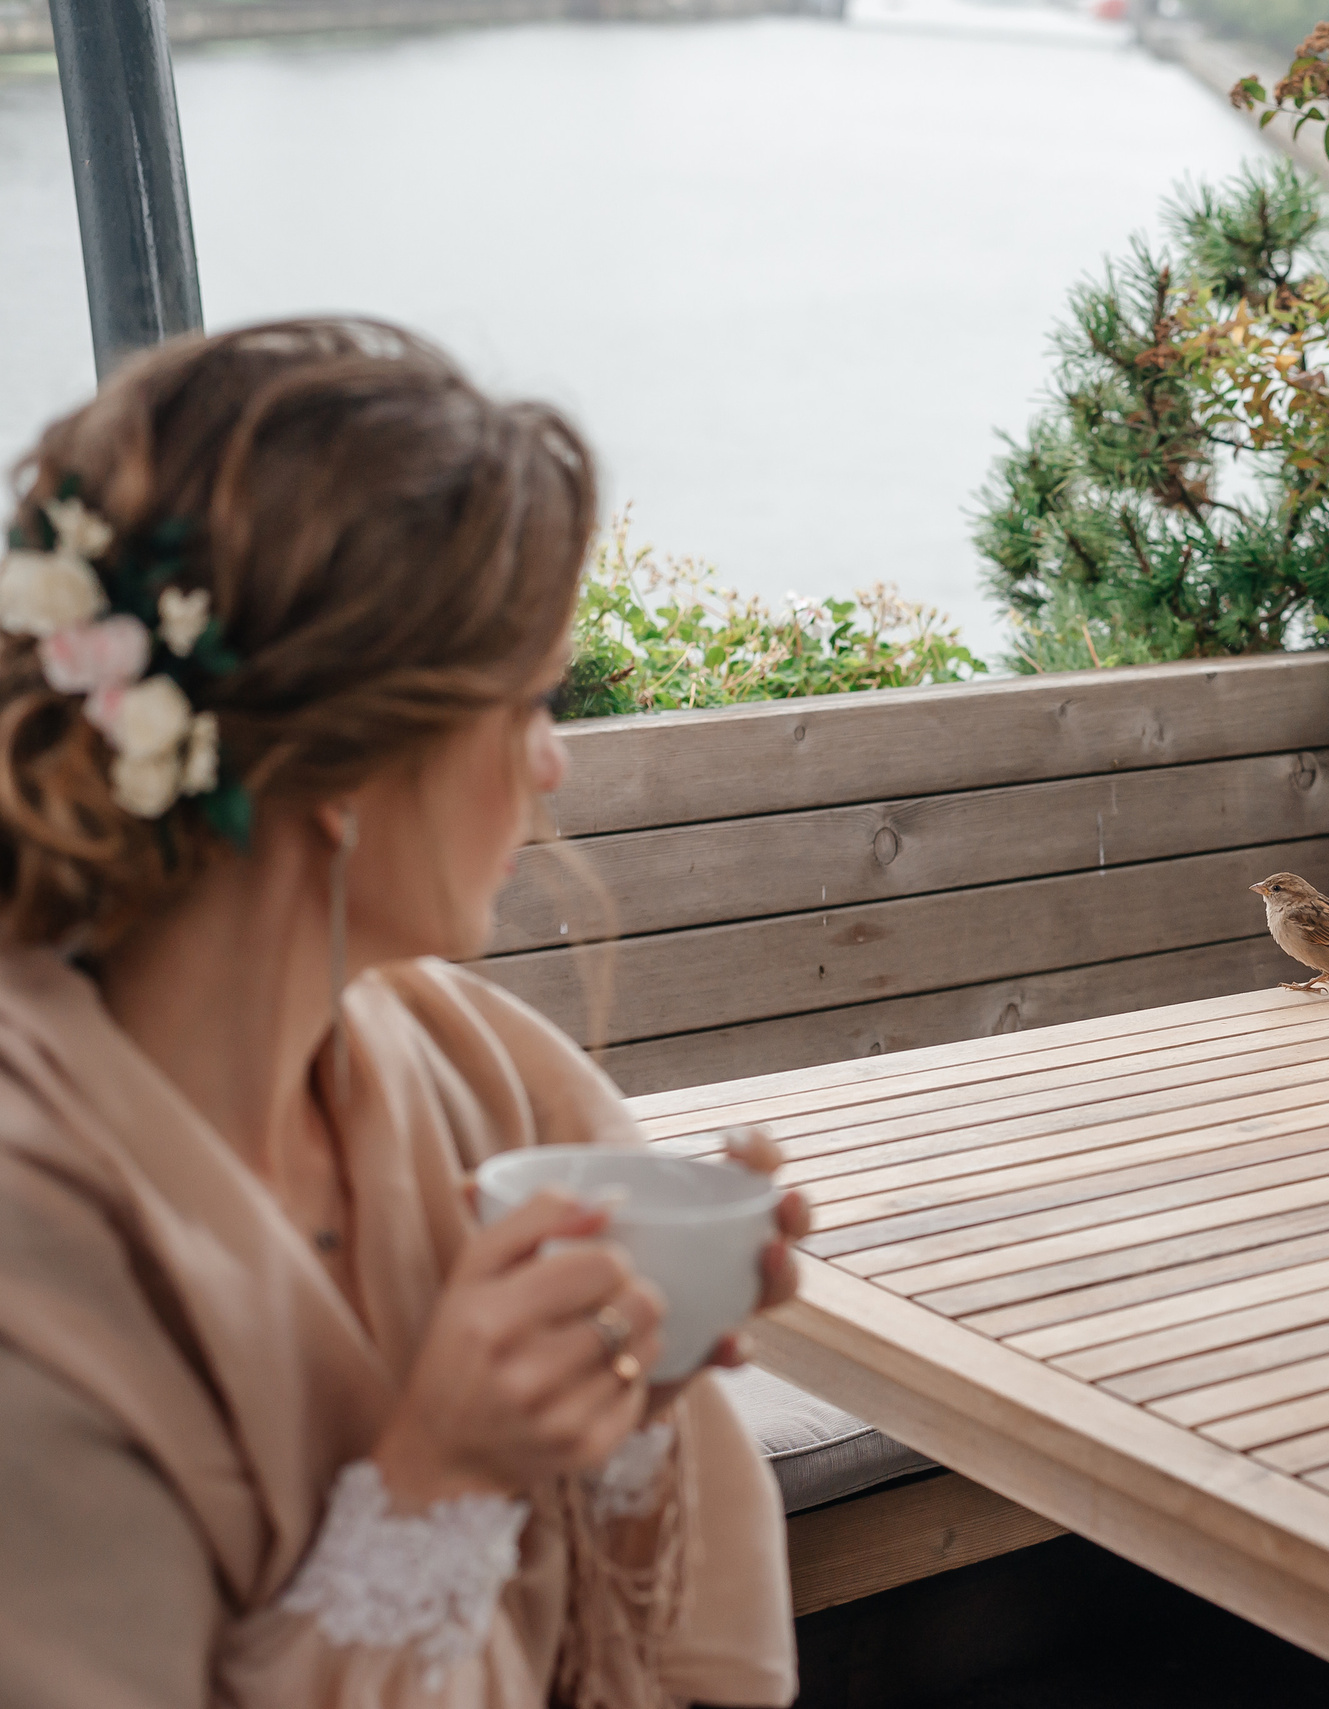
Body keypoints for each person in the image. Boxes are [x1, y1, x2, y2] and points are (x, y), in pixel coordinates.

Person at [0, 320, 804, 1708]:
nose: (552, 768)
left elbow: (651, 1647)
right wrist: (440, 1476)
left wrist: (627, 1383)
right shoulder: (37, 1274)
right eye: (529, 702)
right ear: (343, 768)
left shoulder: (492, 1079)